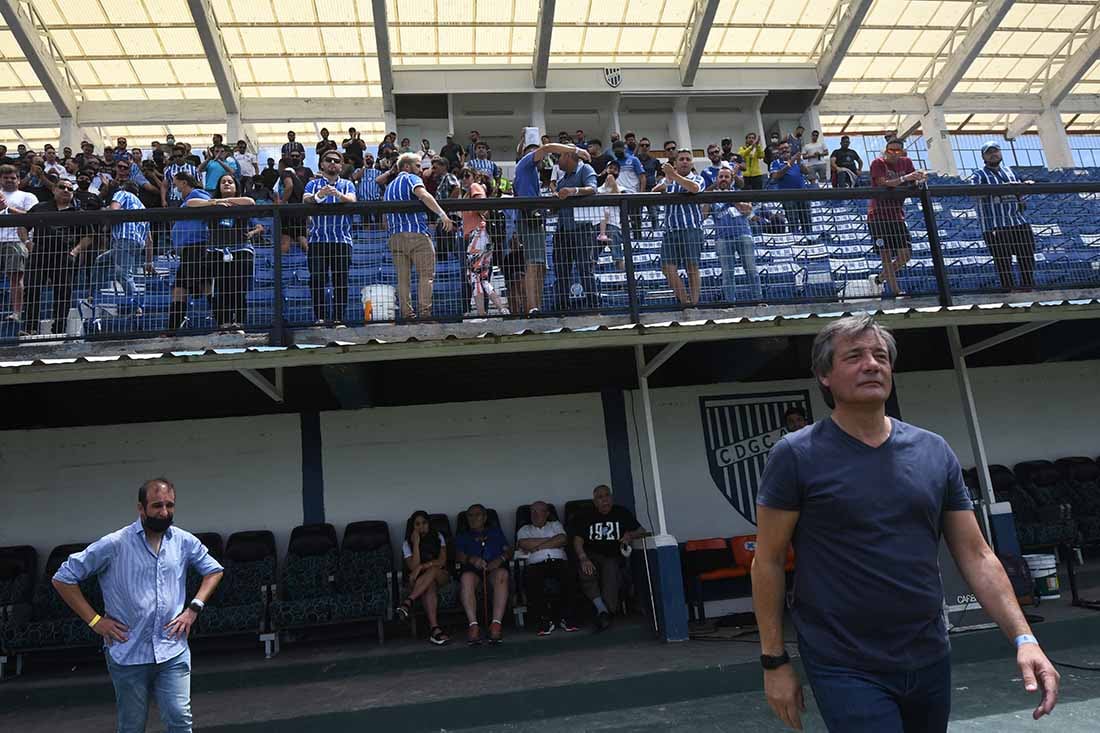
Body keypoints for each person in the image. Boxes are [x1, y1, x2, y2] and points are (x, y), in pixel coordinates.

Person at [753, 314, 1059, 732]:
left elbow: (976, 553)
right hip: (844, 663)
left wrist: (1025, 639)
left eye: (880, 356)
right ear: (825, 375)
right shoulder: (796, 456)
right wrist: (774, 661)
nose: (872, 364)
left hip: (929, 656)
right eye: (855, 356)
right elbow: (767, 560)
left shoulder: (933, 451)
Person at [51, 477, 224, 733]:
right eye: (156, 506)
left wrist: (193, 608)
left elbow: (214, 570)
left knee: (180, 719)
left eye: (169, 505)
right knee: (132, 725)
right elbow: (63, 578)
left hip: (172, 649)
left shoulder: (183, 541)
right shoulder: (114, 544)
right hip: (127, 653)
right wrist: (96, 621)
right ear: (141, 508)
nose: (164, 512)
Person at [512, 141, 590, 314]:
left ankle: (537, 307)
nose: (543, 156)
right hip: (528, 217)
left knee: (540, 265)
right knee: (533, 264)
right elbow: (547, 148)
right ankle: (532, 308)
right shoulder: (526, 162)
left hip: (535, 218)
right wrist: (576, 150)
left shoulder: (531, 173)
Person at [379, 152, 454, 320]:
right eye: (418, 165)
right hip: (417, 233)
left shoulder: (389, 187)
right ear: (407, 166)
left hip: (395, 237)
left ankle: (407, 315)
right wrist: (442, 215)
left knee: (403, 279)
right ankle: (425, 314)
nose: (421, 170)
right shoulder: (411, 179)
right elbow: (423, 195)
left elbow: (384, 218)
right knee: (426, 276)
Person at [18, 177, 92, 335]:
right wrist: (28, 244)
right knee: (31, 290)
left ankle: (59, 330)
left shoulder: (78, 212)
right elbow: (23, 226)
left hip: (65, 256)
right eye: (62, 187)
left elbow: (89, 236)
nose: (66, 190)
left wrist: (75, 251)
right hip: (40, 253)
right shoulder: (40, 207)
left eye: (70, 189)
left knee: (63, 293)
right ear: (54, 189)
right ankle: (30, 328)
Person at [569, 485, 645, 632]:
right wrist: (583, 558)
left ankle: (606, 612)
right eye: (600, 497)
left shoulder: (621, 512)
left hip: (614, 556)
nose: (605, 500)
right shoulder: (586, 515)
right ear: (595, 501)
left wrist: (630, 535)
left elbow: (641, 531)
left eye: (607, 496)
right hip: (592, 555)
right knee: (586, 569)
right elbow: (577, 540)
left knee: (611, 567)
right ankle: (603, 610)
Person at [970, 141, 1036, 291]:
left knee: (1027, 255)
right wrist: (998, 189)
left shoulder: (1010, 171)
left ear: (1000, 153)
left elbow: (1020, 195)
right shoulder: (979, 174)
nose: (993, 154)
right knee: (1003, 259)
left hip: (1017, 221)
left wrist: (1024, 186)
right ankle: (1008, 289)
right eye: (989, 152)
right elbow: (973, 192)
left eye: (996, 151)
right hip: (995, 224)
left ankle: (1027, 286)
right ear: (983, 157)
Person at [868, 138, 926, 298]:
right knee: (886, 255)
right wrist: (905, 178)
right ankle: (895, 292)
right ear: (886, 151)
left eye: (897, 150)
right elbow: (882, 183)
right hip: (878, 216)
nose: (893, 153)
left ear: (902, 152)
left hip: (897, 215)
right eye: (890, 150)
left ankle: (879, 278)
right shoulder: (877, 163)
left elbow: (912, 183)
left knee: (905, 254)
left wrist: (919, 178)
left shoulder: (906, 162)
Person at [303, 151, 356, 326]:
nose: (332, 163)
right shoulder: (313, 184)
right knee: (317, 280)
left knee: (340, 280)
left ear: (341, 166)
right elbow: (306, 200)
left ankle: (339, 318)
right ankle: (320, 318)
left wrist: (337, 195)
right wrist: (321, 195)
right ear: (322, 164)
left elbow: (352, 200)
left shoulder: (348, 184)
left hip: (342, 241)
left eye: (336, 161)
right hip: (317, 241)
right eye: (329, 160)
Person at [208, 173, 263, 330]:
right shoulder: (211, 203)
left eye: (230, 182)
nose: (226, 184)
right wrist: (216, 202)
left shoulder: (242, 202)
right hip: (217, 251)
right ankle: (223, 324)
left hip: (240, 250)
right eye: (223, 182)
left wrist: (224, 201)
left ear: (236, 186)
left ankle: (238, 322)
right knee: (221, 288)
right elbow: (192, 203)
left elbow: (250, 202)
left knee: (238, 287)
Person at [651, 149, 704, 306]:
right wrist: (668, 179)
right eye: (681, 159)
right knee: (667, 268)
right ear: (675, 163)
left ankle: (694, 304)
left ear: (692, 163)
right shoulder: (668, 181)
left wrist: (673, 175)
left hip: (691, 228)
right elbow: (653, 192)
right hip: (671, 230)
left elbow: (694, 188)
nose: (685, 161)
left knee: (692, 266)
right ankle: (685, 302)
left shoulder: (698, 178)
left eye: (688, 159)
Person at [517, 501, 578, 636]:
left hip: (559, 561)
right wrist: (551, 541)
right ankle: (544, 619)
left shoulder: (555, 525)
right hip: (536, 564)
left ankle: (567, 618)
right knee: (532, 579)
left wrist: (537, 547)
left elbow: (562, 539)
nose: (535, 514)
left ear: (547, 513)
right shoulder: (524, 529)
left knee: (569, 575)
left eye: (539, 511)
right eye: (532, 511)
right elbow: (524, 543)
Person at [454, 504, 512, 645]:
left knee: (502, 573)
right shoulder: (463, 536)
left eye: (478, 515)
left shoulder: (495, 532)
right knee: (466, 578)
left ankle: (496, 624)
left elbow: (508, 551)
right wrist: (471, 559)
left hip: (493, 570)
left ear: (485, 517)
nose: (474, 518)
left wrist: (499, 560)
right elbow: (458, 555)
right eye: (470, 515)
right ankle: (473, 626)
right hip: (474, 572)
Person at [552, 147, 600, 312]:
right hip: (563, 230)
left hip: (582, 229)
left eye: (560, 156)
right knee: (561, 269)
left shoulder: (585, 169)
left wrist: (573, 191)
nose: (557, 161)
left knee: (584, 267)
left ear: (568, 156)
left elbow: (593, 189)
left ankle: (594, 305)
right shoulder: (562, 178)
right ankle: (561, 306)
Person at [705, 165, 761, 304]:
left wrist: (730, 197)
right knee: (727, 274)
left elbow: (746, 210)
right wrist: (708, 196)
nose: (723, 179)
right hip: (723, 239)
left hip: (743, 235)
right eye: (721, 177)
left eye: (726, 177)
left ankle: (758, 301)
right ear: (716, 179)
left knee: (751, 270)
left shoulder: (740, 193)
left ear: (732, 179)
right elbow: (703, 215)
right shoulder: (712, 196)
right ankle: (731, 303)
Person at [395, 511, 452, 646]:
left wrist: (422, 567)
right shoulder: (407, 544)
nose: (421, 527)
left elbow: (442, 561)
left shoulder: (438, 537)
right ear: (413, 527)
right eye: (417, 524)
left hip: (441, 575)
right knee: (429, 586)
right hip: (423, 581)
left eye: (424, 523)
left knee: (432, 571)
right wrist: (416, 543)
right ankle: (435, 629)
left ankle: (409, 601)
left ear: (429, 524)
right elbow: (413, 567)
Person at [463, 170, 507, 316]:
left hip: (477, 236)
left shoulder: (475, 186)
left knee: (474, 276)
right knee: (483, 277)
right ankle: (502, 309)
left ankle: (482, 314)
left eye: (466, 175)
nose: (464, 179)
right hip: (484, 236)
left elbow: (482, 205)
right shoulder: (474, 189)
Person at [0, 163, 38, 324]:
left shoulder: (26, 196)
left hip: (14, 241)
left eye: (13, 178)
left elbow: (32, 217)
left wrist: (8, 209)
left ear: (18, 180)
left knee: (16, 278)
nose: (9, 180)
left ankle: (16, 313)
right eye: (5, 177)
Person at [769, 142, 813, 235]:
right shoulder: (775, 163)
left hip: (803, 194)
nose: (784, 150)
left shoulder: (798, 160)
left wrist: (799, 161)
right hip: (787, 196)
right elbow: (775, 176)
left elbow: (807, 172)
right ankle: (796, 240)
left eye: (786, 147)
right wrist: (790, 163)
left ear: (790, 149)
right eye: (782, 149)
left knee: (807, 220)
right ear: (778, 151)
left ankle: (809, 239)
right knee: (792, 220)